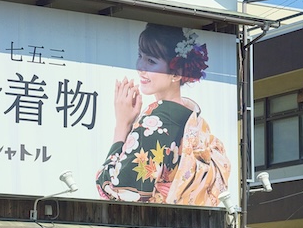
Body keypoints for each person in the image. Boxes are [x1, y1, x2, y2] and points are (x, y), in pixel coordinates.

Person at [95, 23, 230, 206]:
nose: (141, 67)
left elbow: (119, 191)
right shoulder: (196, 123)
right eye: (140, 56)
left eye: (151, 61)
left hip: (154, 221)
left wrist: (122, 125)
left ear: (176, 73)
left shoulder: (155, 124)